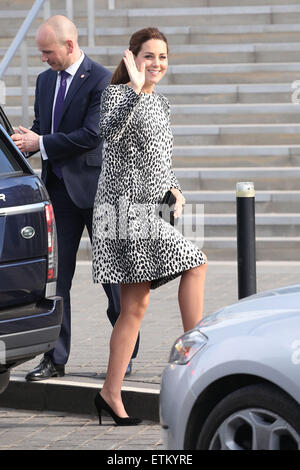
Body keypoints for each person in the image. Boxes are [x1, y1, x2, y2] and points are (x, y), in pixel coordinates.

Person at [11, 15, 139, 380]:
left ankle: (124, 353)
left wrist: (42, 143)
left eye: (48, 52)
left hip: (100, 192)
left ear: (69, 45)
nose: (43, 59)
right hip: (59, 194)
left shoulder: (103, 79)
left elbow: (91, 135)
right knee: (56, 279)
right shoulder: (44, 80)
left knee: (113, 279)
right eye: (40, 53)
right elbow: (42, 130)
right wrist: (25, 144)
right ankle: (55, 358)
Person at [92, 27, 207, 426]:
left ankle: (110, 392)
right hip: (123, 210)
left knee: (134, 307)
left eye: (163, 57)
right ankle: (198, 354)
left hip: (152, 208)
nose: (157, 64)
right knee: (197, 263)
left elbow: (161, 156)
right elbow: (108, 133)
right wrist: (136, 91)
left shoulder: (162, 103)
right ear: (132, 59)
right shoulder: (119, 95)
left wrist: (174, 187)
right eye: (149, 56)